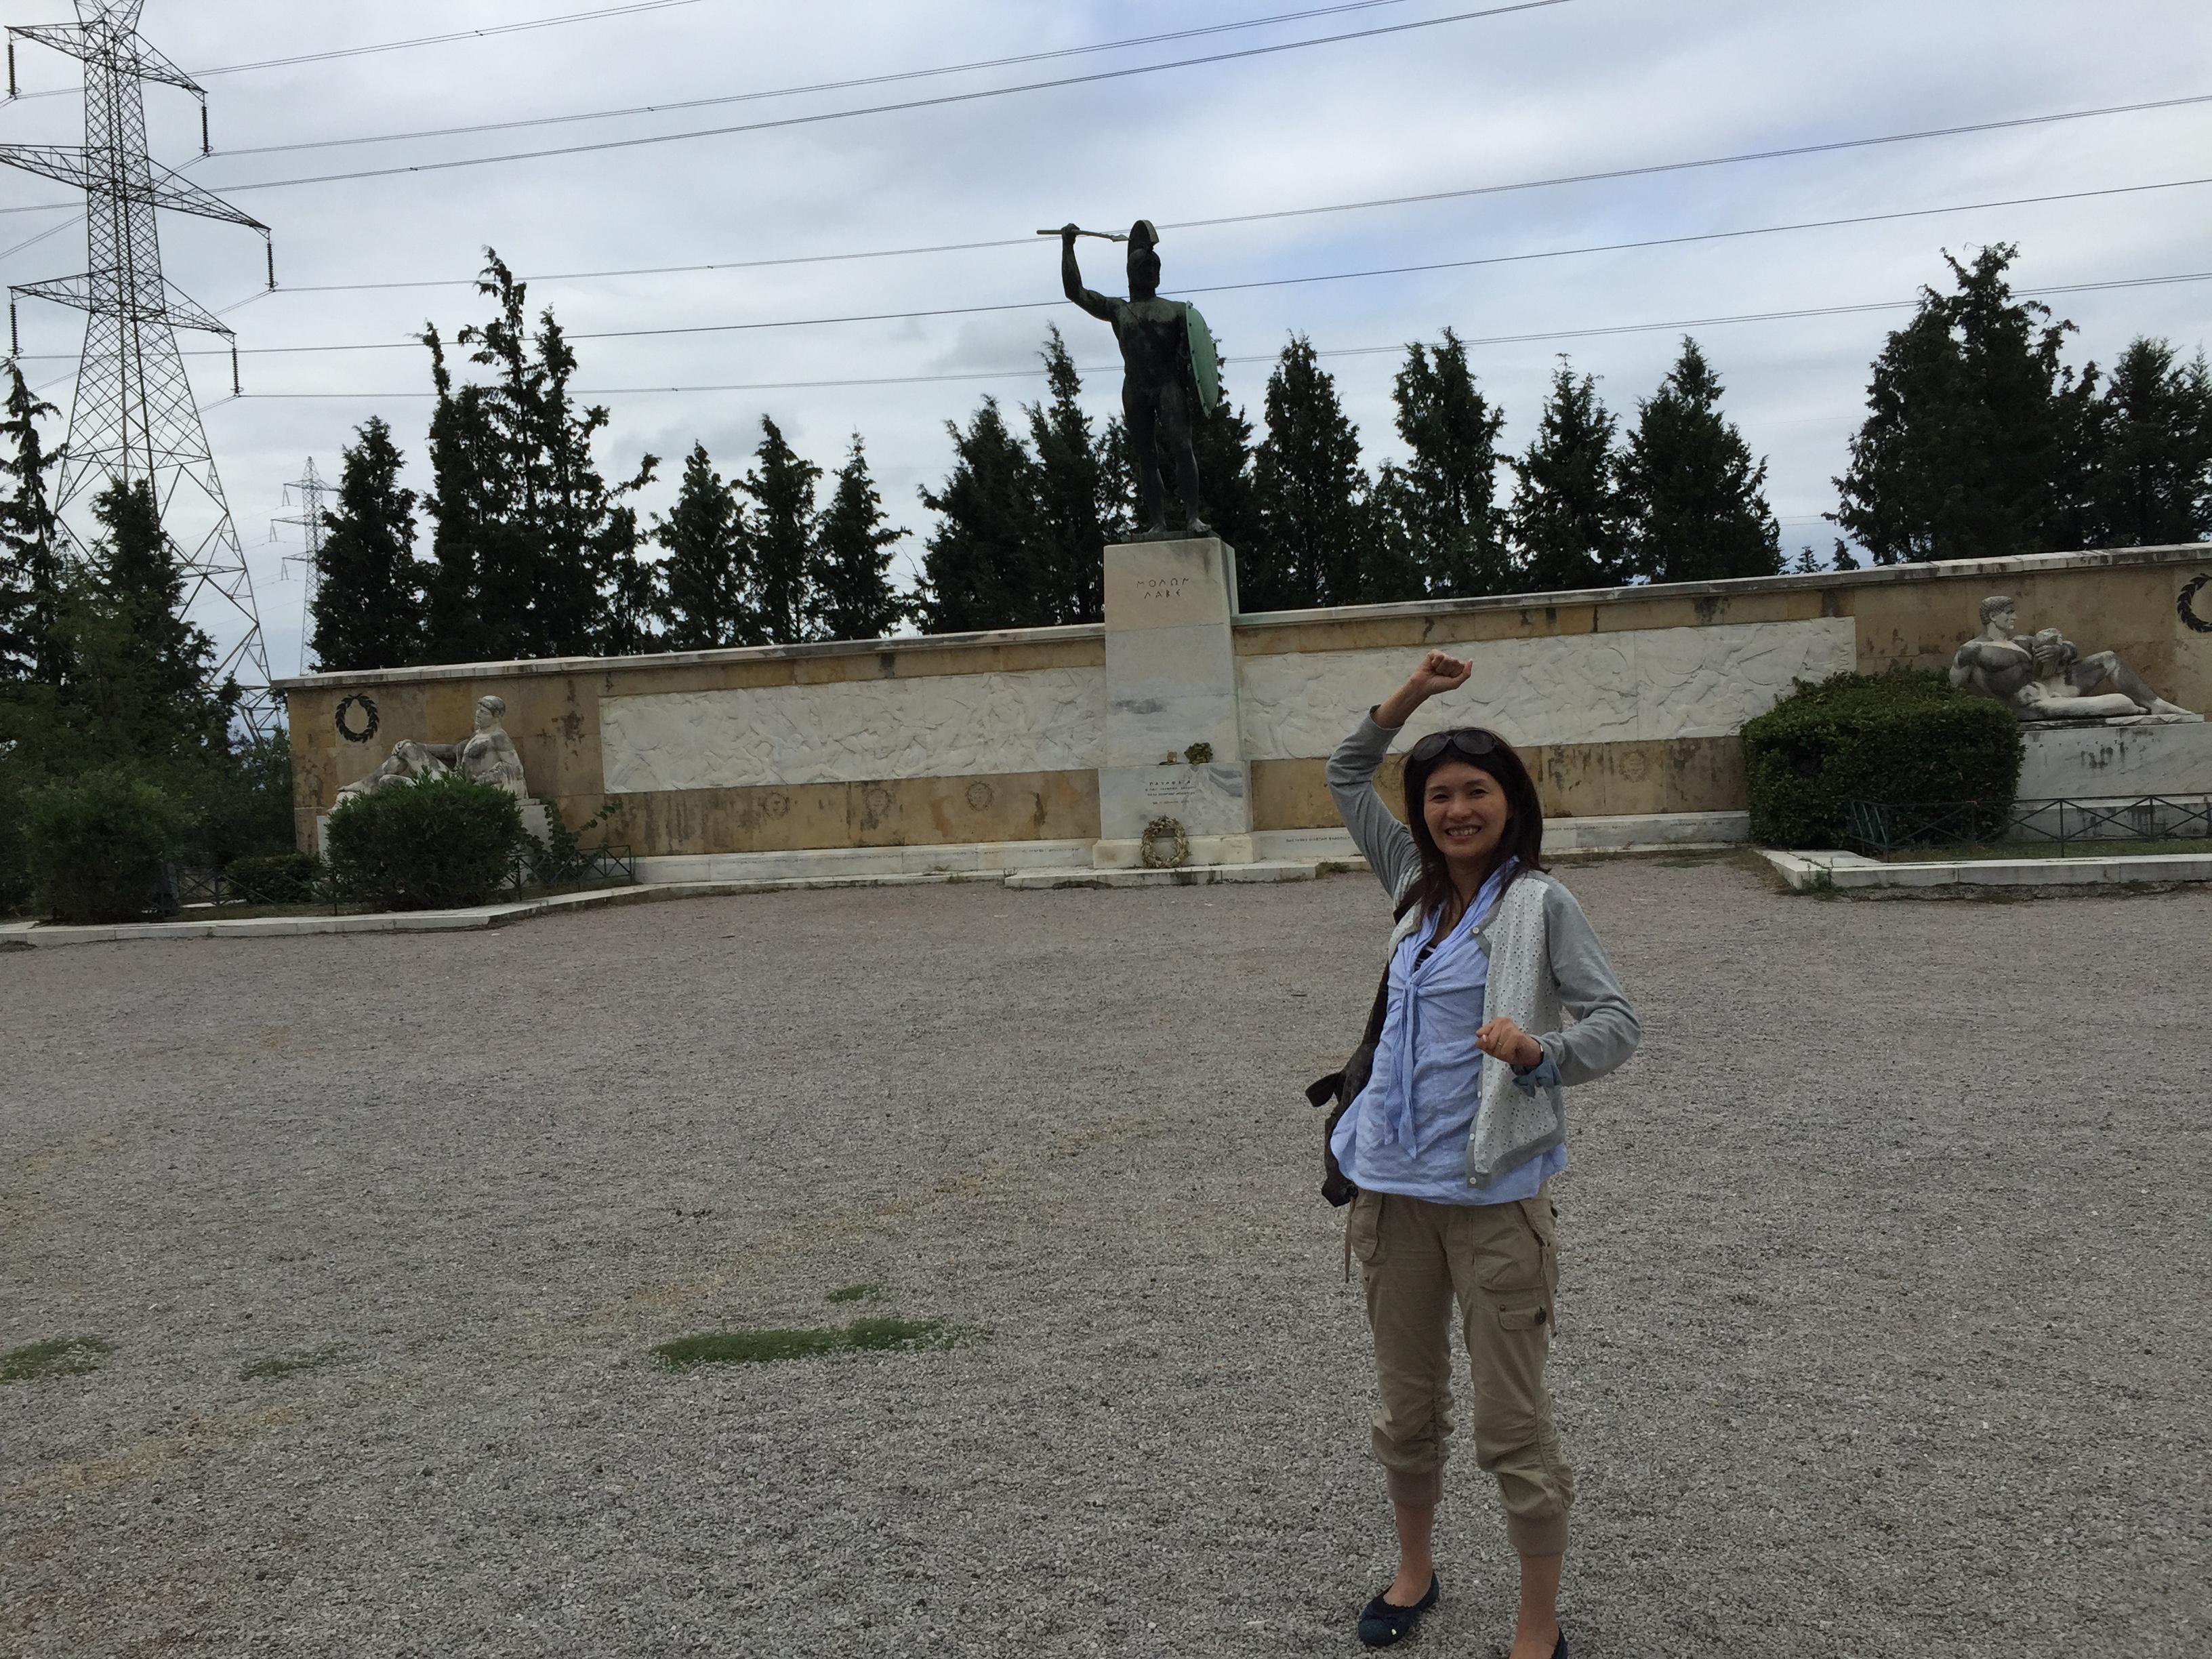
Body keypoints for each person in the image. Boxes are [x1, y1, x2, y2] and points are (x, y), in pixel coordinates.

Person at [1325, 649, 1641, 1657]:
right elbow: (1345, 772)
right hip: (1390, 1193)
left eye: (1476, 792)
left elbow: (1618, 1023)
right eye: (1439, 796)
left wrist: (1542, 1053)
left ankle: (1536, 1624)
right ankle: (1414, 1572)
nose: (1457, 810)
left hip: (1494, 1197)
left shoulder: (1540, 904)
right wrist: (1414, 696)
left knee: (1513, 1425)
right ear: (1421, 814)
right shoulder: (1411, 886)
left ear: (1510, 802)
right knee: (1406, 1410)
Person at [1059, 220, 1212, 539]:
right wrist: (1068, 246)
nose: (1152, 271)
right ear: (1132, 272)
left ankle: (1192, 518)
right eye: (1146, 266)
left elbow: (1193, 356)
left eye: (1156, 266)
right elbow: (1076, 292)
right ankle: (1158, 522)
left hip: (1168, 384)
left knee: (1183, 448)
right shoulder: (1118, 310)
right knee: (1147, 456)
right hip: (1135, 387)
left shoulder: (1176, 311)